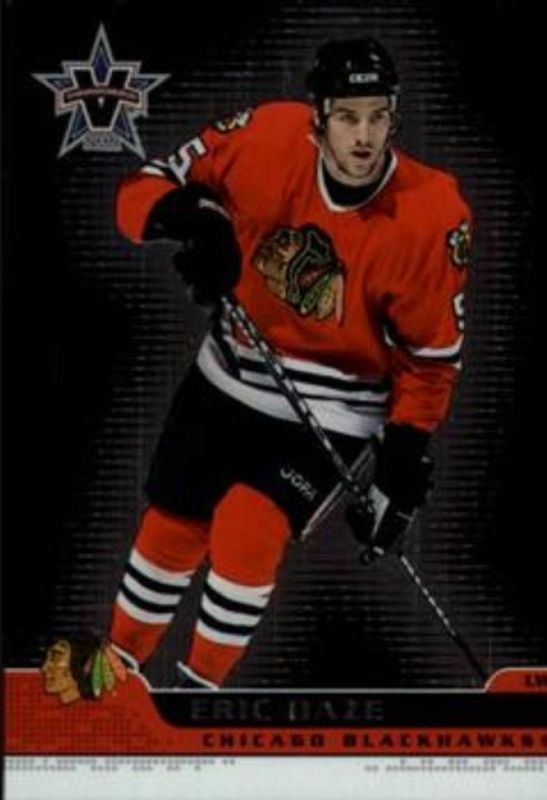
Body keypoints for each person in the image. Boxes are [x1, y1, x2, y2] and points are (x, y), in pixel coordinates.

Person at [108, 38, 471, 689]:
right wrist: (189, 217)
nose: (364, 136)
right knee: (171, 521)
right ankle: (115, 670)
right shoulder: (265, 138)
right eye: (347, 117)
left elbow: (430, 359)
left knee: (249, 525)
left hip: (335, 406)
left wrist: (404, 452)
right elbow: (144, 186)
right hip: (228, 374)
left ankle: (198, 693)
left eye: (378, 116)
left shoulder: (432, 211)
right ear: (317, 118)